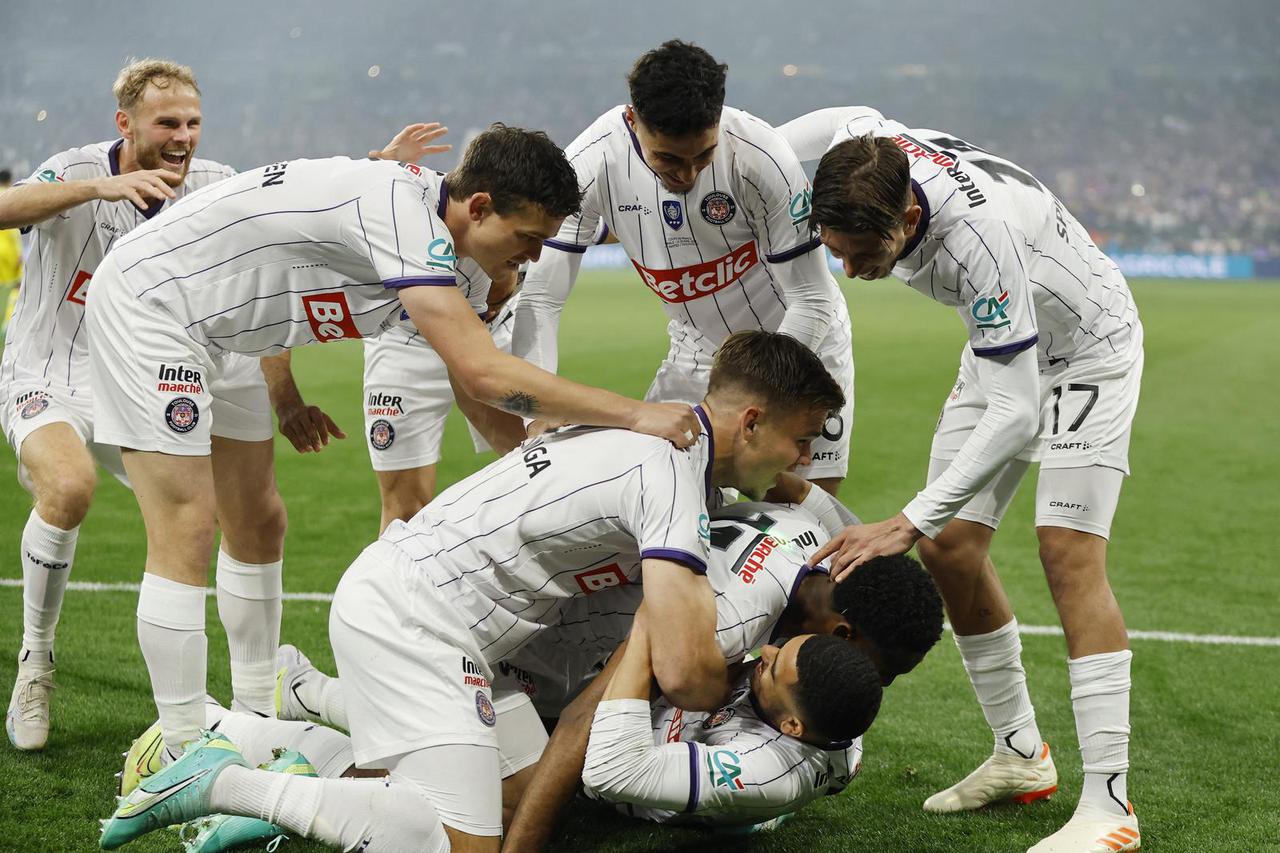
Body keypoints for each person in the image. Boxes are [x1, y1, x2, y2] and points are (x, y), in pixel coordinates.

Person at [99, 330, 844, 853]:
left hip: (422, 602)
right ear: (751, 420)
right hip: (416, 619)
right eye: (800, 439)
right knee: (452, 844)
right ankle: (221, 784)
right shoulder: (671, 476)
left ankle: (258, 740)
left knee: (515, 792)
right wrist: (746, 668)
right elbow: (682, 673)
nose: (803, 460)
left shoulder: (646, 436)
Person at [110, 499, 941, 852]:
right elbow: (595, 738)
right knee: (483, 812)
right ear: (840, 628)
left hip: (508, 611)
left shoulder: (815, 540)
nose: (765, 658)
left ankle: (265, 718)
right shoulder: (728, 624)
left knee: (469, 776)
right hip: (517, 647)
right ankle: (239, 771)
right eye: (887, 666)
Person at [787, 106, 1144, 853]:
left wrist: (905, 519)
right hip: (1003, 347)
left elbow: (1017, 415)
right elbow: (819, 123)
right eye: (838, 254)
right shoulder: (866, 141)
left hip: (1086, 348)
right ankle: (1020, 754)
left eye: (863, 254)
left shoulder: (979, 237)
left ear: (910, 213)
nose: (850, 272)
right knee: (952, 548)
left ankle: (1111, 805)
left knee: (1066, 551)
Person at [0, 58, 239, 752]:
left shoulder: (213, 183)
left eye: (193, 121)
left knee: (198, 517)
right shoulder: (74, 166)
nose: (184, 135)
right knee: (69, 488)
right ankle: (35, 663)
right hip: (44, 366)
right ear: (126, 124)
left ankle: (186, 695)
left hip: (134, 383)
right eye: (168, 122)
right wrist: (99, 186)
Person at [513, 40, 856, 495]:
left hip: (799, 348)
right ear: (633, 121)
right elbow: (540, 296)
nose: (689, 174)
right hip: (695, 356)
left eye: (703, 155)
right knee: (653, 498)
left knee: (797, 520)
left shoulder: (762, 158)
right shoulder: (590, 164)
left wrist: (752, 402)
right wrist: (537, 413)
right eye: (669, 159)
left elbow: (811, 300)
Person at [0, 170, 20, 338]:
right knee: (10, 290)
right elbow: (14, 232)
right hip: (6, 253)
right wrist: (18, 254)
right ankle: (6, 325)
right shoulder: (9, 196)